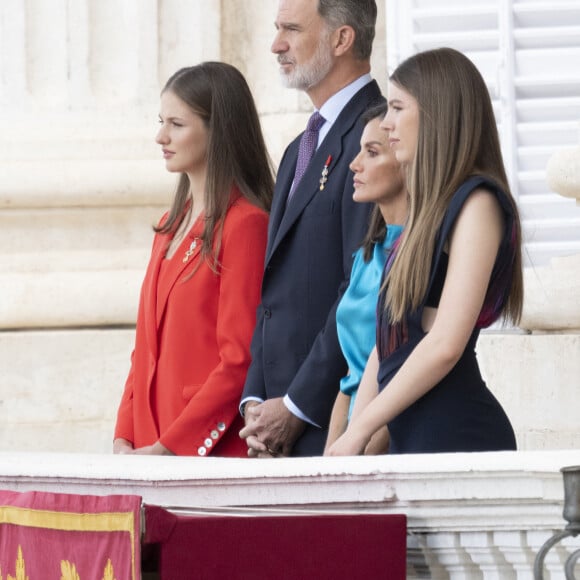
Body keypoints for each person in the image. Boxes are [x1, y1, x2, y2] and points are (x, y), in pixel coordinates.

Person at [326, 47, 524, 456]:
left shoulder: (478, 202)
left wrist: (360, 431)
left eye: (398, 108)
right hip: (412, 443)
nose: (387, 122)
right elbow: (387, 345)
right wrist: (353, 440)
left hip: (459, 438)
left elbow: (445, 344)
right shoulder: (424, 214)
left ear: (436, 114)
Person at [239, 0, 382, 457]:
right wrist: (256, 400)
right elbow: (274, 292)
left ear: (342, 39)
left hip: (331, 423)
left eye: (292, 30)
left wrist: (298, 407)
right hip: (274, 424)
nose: (276, 44)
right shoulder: (299, 148)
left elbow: (361, 286)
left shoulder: (376, 135)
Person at [113, 62, 274, 457]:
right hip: (149, 448)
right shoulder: (170, 224)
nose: (160, 136)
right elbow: (144, 349)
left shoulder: (246, 223)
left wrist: (171, 447)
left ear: (218, 130)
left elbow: (238, 358)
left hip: (205, 452)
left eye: (176, 124)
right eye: (160, 121)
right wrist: (124, 435)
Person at [324, 103, 407, 454]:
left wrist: (359, 455)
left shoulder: (416, 255)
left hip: (389, 438)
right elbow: (349, 380)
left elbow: (399, 377)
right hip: (351, 436)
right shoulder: (366, 255)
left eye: (371, 153)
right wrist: (328, 459)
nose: (354, 164)